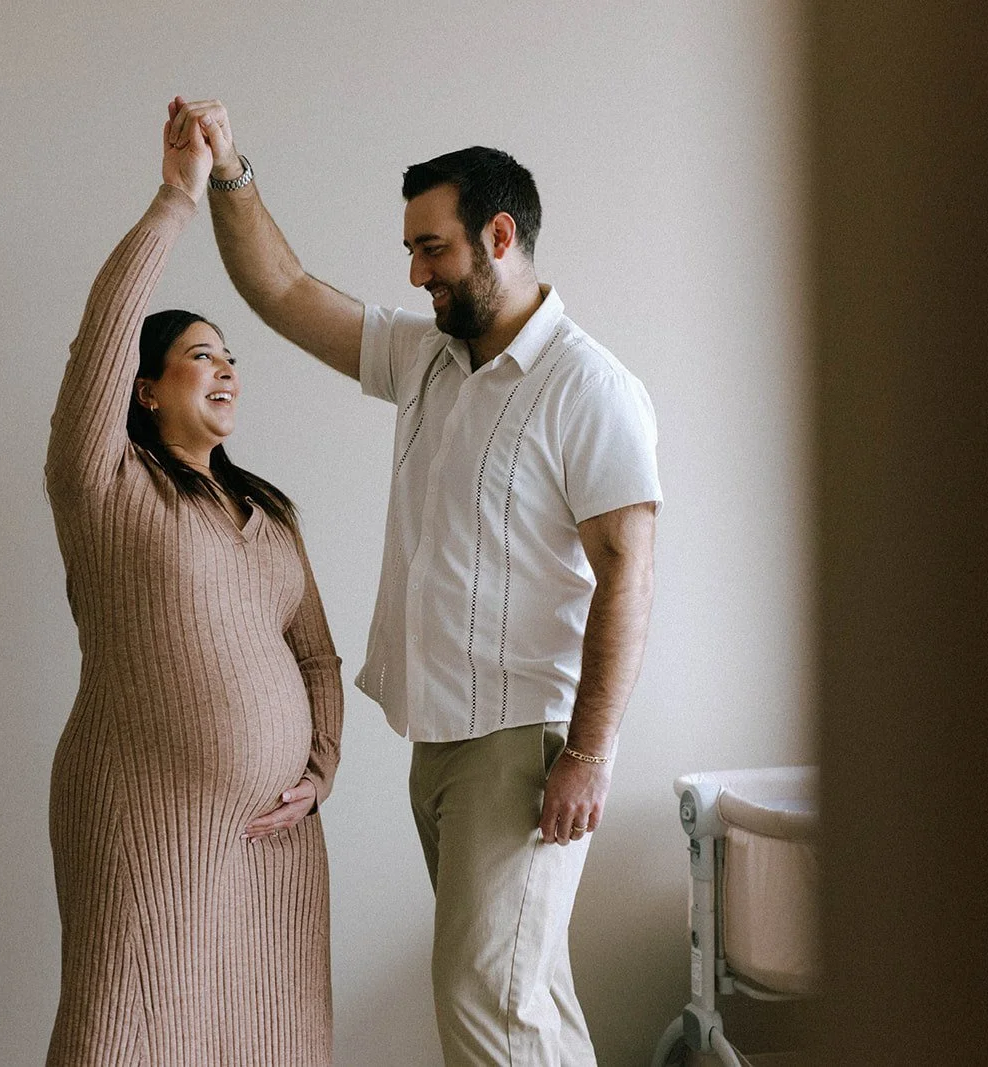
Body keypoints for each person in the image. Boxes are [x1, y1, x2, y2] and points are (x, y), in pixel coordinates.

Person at [170, 96, 662, 1066]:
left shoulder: (587, 386)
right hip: (439, 739)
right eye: (409, 250)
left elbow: (628, 574)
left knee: (488, 1003)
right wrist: (229, 167)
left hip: (524, 744)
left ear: (500, 235)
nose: (414, 272)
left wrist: (589, 755)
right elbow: (280, 288)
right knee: (524, 997)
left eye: (431, 248)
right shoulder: (427, 358)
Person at [41, 108, 342, 1065]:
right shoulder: (103, 485)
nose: (227, 371)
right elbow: (104, 334)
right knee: (125, 1034)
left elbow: (317, 656)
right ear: (143, 389)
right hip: (145, 819)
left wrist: (318, 771)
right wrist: (178, 197)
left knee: (270, 1042)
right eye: (202, 354)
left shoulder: (272, 515)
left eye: (234, 357)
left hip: (279, 845)